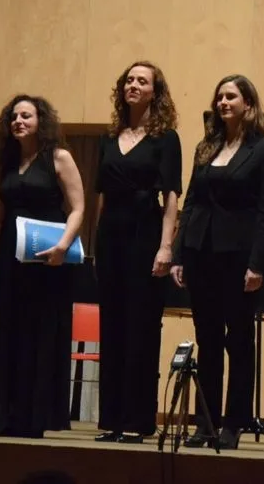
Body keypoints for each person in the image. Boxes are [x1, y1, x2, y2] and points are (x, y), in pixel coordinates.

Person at [170, 75, 264, 449]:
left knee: (239, 340)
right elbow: (191, 202)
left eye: (231, 96)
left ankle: (233, 422)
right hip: (200, 253)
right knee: (207, 339)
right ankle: (205, 422)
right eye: (219, 96)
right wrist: (179, 253)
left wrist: (258, 264)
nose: (223, 102)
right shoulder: (206, 146)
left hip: (238, 257)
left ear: (248, 103)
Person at [0, 95, 85, 438]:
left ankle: (34, 416)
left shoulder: (59, 157)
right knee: (9, 332)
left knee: (39, 332)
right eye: (14, 116)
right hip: (11, 258)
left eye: (26, 115)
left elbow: (78, 208)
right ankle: (3, 414)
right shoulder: (9, 162)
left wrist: (63, 246)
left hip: (48, 258)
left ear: (41, 121)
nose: (18, 121)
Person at [94, 61, 182, 444]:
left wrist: (166, 246)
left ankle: (137, 420)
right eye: (129, 80)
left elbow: (172, 196)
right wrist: (96, 243)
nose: (133, 85)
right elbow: (100, 195)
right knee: (112, 326)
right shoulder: (109, 137)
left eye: (141, 81)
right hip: (111, 236)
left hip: (145, 234)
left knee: (141, 327)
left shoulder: (166, 139)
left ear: (154, 92)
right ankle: (112, 419)